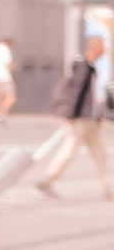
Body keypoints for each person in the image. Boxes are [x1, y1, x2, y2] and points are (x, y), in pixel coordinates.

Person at [34, 35, 111, 199]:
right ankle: (47, 180)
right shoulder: (84, 66)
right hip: (81, 119)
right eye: (102, 46)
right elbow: (77, 92)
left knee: (100, 154)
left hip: (90, 120)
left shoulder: (91, 67)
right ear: (94, 48)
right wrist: (70, 115)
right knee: (69, 151)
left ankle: (107, 188)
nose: (104, 49)